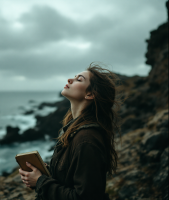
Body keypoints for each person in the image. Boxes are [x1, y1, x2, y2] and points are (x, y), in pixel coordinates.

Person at [19, 62, 123, 200]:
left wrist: (40, 182)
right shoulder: (75, 130)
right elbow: (70, 178)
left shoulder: (87, 139)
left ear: (90, 94)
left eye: (79, 79)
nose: (70, 79)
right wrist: (46, 173)